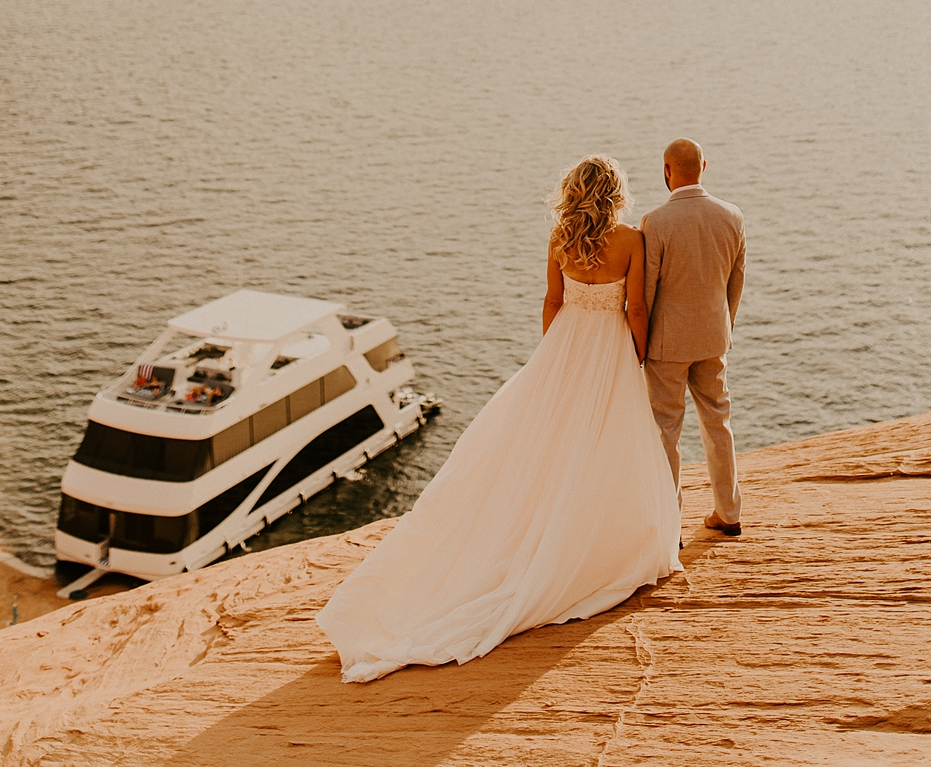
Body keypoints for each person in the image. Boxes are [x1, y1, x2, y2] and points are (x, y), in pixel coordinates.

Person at [317, 155, 681, 682]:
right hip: (610, 351)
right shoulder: (630, 240)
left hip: (566, 347)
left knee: (547, 446)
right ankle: (603, 541)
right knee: (608, 444)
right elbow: (638, 309)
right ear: (616, 192)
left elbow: (552, 302)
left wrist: (552, 359)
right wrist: (638, 356)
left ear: (575, 191)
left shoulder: (560, 237)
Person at [641, 136, 745, 536]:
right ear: (704, 167)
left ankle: (671, 527)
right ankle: (729, 512)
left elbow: (646, 292)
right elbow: (736, 282)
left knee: (667, 430)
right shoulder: (732, 215)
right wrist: (724, 328)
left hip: (666, 345)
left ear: (667, 171)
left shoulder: (655, 222)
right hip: (713, 338)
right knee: (718, 421)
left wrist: (640, 343)